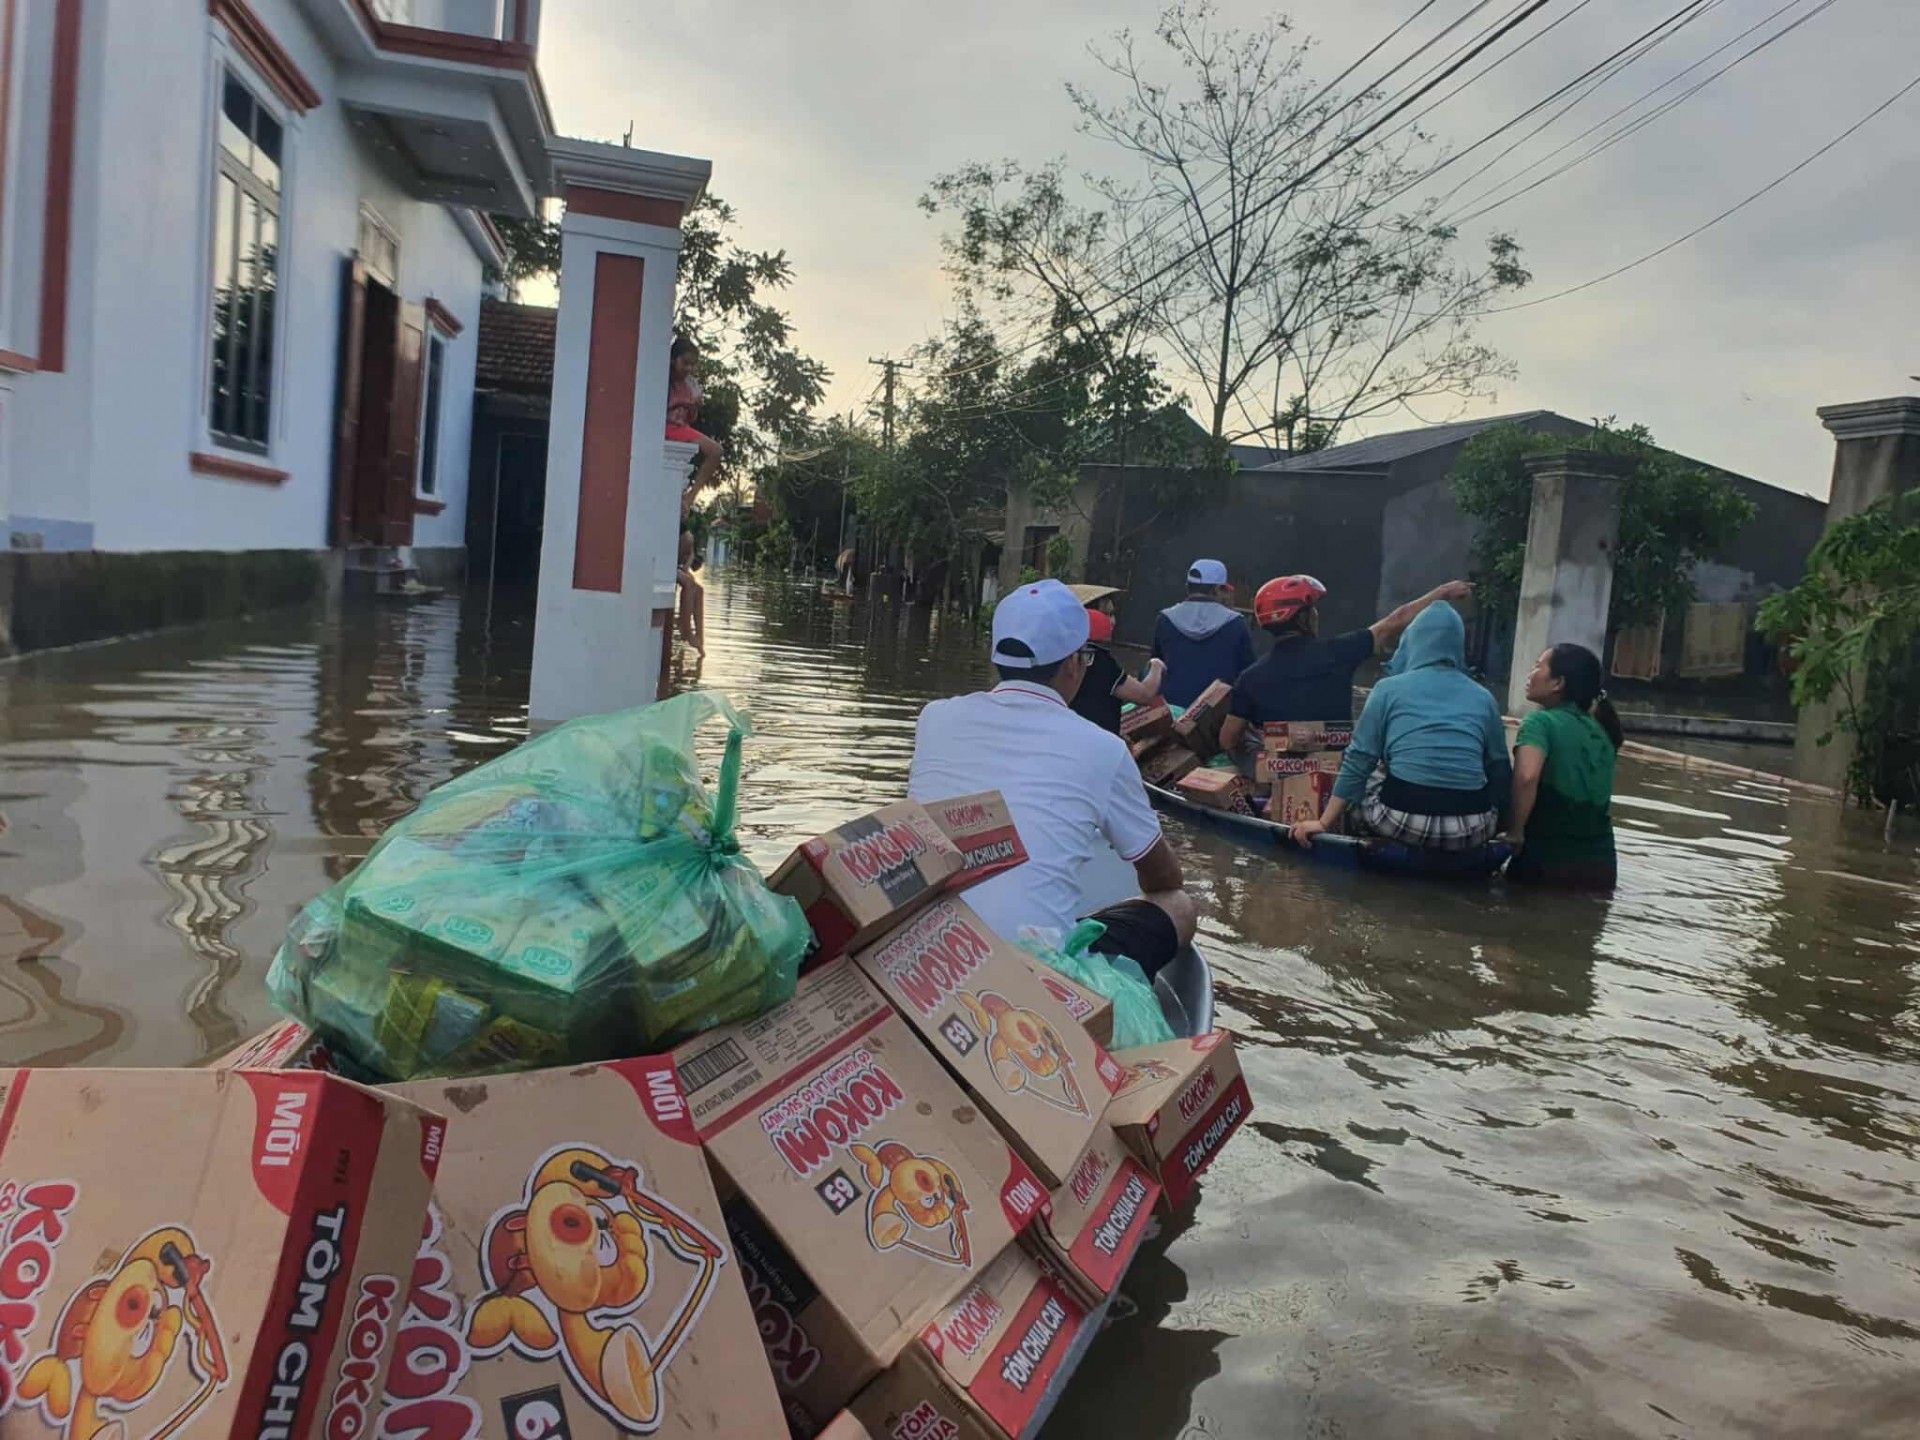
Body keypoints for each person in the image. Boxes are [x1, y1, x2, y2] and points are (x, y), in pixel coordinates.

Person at [910, 579, 1197, 978]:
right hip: (1037, 974)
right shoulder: (1105, 748)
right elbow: (1164, 877)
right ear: (1074, 664)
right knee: (1178, 905)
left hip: (926, 959)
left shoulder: (935, 718)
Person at [1290, 602, 1511, 852]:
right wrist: (1510, 829)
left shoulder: (1388, 690)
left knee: (1368, 781)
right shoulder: (1484, 698)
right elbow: (1500, 769)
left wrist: (1323, 822)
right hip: (1472, 828)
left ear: (1412, 642)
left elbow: (1359, 759)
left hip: (1401, 822)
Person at [1218, 575, 1476, 753]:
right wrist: (1443, 592)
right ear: (1304, 618)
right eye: (1312, 609)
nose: (1316, 614)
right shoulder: (1340, 652)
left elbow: (1227, 740)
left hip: (1276, 778)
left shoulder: (1250, 679)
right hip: (1334, 775)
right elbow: (1395, 621)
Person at [1506, 643, 1623, 889]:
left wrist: (1515, 832)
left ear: (1558, 683)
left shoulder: (1540, 723)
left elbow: (1527, 777)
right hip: (1602, 865)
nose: (1531, 674)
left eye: (1538, 667)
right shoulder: (1603, 732)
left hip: (1548, 858)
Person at [1151, 559, 1255, 709]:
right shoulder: (1236, 623)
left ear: (1187, 587)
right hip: (1217, 714)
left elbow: (1154, 669)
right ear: (1217, 589)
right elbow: (1247, 675)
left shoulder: (1165, 619)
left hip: (1170, 713)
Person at [1067, 584, 1165, 733]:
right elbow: (1144, 695)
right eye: (1105, 615)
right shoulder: (1099, 659)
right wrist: (1156, 666)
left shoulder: (1064, 653)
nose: (1112, 621)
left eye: (1112, 614)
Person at [666, 337, 723, 497]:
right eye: (685, 363)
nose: (688, 368)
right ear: (673, 359)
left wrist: (694, 407)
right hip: (667, 426)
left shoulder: (691, 384)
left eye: (692, 364)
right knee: (715, 450)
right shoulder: (664, 379)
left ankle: (691, 495)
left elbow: (690, 418)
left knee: (716, 451)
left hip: (681, 428)